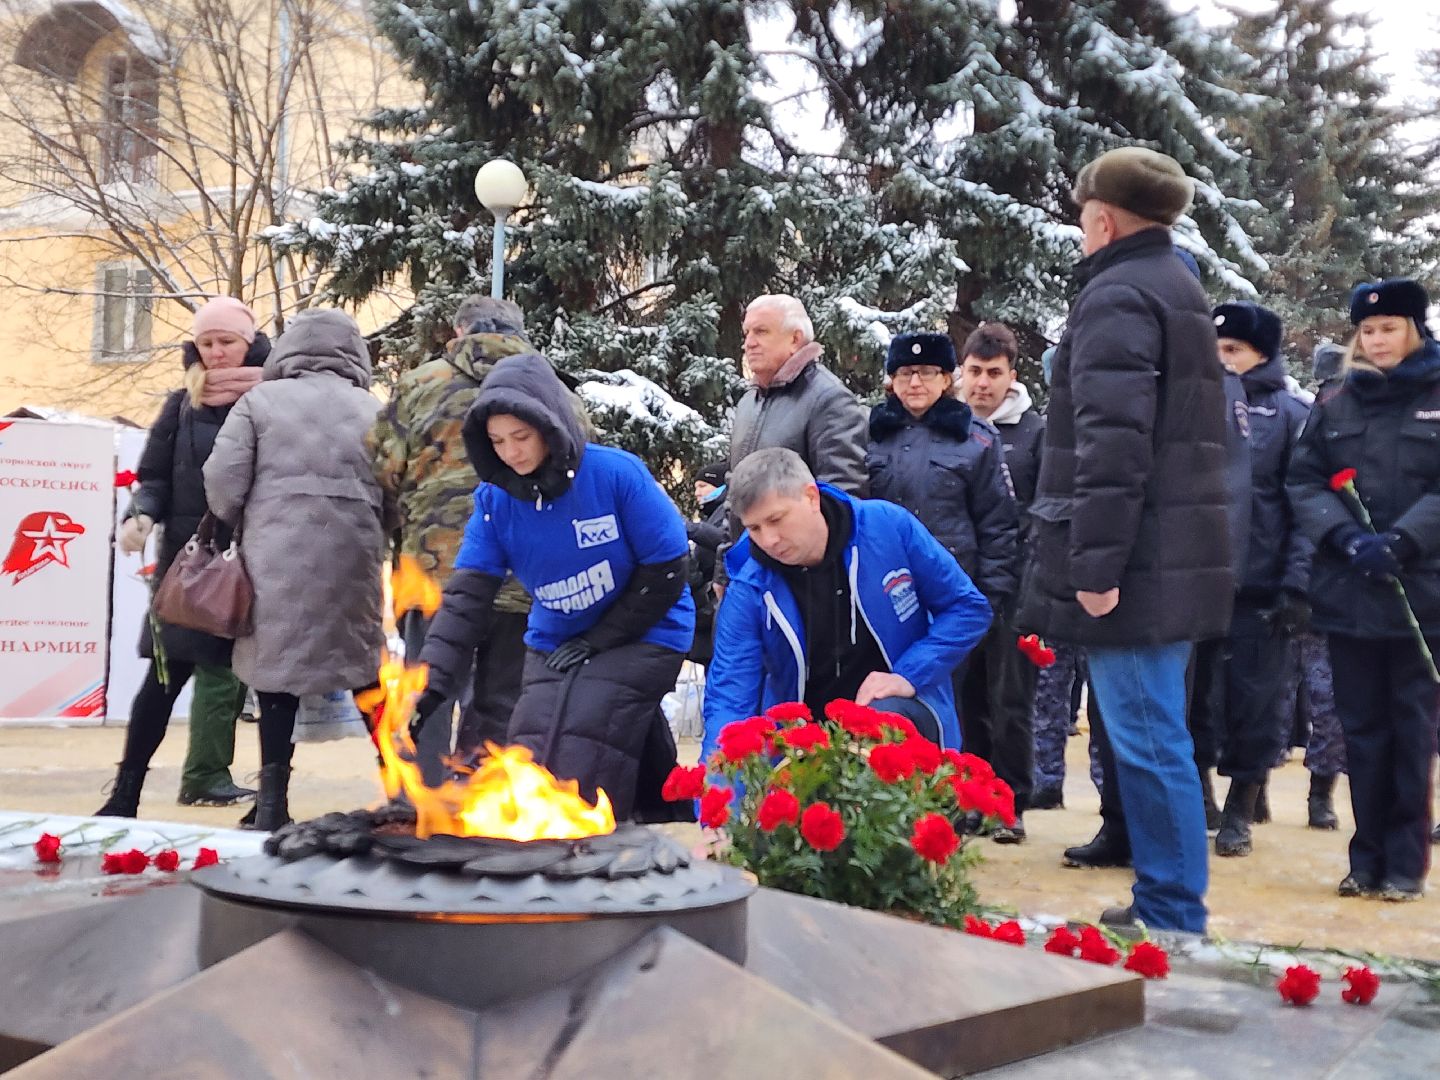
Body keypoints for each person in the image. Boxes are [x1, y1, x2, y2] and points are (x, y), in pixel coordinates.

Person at [1020, 147, 1232, 933]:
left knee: (1145, 742)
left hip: (1136, 565)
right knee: (1155, 736)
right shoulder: (1174, 286)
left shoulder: (1117, 296)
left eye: (1081, 216)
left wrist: (1097, 566)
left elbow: (1114, 445)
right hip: (1168, 556)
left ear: (1102, 217)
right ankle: (1164, 899)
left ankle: (1173, 912)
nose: (1080, 229)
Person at [415, 353, 695, 820]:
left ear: (550, 425)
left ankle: (587, 852)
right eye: (497, 441)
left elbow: (667, 571)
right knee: (533, 747)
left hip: (648, 629)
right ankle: (666, 812)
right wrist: (430, 685)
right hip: (556, 638)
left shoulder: (616, 475)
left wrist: (598, 640)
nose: (511, 452)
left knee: (581, 742)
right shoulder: (494, 503)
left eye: (521, 437)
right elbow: (466, 600)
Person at [368, 296, 587, 776]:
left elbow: (382, 472)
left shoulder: (419, 385)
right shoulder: (555, 392)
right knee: (501, 700)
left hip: (433, 573)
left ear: (459, 331)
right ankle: (478, 802)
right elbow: (578, 469)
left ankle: (416, 803)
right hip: (524, 575)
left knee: (427, 690)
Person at [205, 309, 390, 831]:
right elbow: (396, 488)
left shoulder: (259, 402)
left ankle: (271, 804)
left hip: (274, 560)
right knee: (364, 673)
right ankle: (400, 789)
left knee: (276, 680)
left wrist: (243, 517)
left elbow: (222, 481)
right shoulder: (371, 410)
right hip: (353, 561)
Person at [1288, 278, 1440, 901]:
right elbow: (1304, 482)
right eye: (1368, 331)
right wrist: (1345, 539)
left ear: (1415, 330)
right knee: (1363, 731)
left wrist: (1405, 540)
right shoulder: (1336, 404)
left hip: (1421, 598)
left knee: (1412, 732)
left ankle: (1405, 863)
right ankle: (1366, 857)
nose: (1377, 340)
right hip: (1349, 594)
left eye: (1389, 328)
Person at [702, 448, 993, 759]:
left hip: (898, 717)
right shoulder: (749, 585)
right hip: (803, 745)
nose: (769, 540)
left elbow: (967, 608)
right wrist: (718, 798)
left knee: (884, 718)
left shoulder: (888, 528)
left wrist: (909, 673)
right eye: (754, 528)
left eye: (776, 519)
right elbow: (730, 697)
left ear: (811, 497)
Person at [96, 298, 269, 818]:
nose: (215, 353)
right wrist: (140, 515)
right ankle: (125, 792)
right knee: (164, 681)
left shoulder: (275, 398)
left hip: (257, 563)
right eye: (206, 343)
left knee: (267, 685)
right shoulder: (180, 404)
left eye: (226, 342)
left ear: (249, 342)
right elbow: (153, 478)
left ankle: (268, 801)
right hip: (189, 567)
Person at [865, 330, 1020, 831]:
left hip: (954, 594)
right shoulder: (869, 435)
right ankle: (904, 803)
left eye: (927, 373)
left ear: (946, 379)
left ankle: (970, 801)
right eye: (905, 374)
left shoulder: (975, 438)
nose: (915, 383)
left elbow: (998, 523)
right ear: (890, 381)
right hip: (887, 594)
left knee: (965, 701)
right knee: (897, 700)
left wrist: (993, 595)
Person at [1204, 301, 1312, 857]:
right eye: (1216, 349)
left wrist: (1296, 586)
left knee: (1254, 702)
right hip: (1197, 583)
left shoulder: (1293, 416)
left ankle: (1241, 807)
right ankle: (1197, 794)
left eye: (1233, 351)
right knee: (1193, 700)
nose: (1221, 361)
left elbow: (1305, 510)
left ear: (1261, 354)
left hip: (1261, 587)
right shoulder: (1193, 406)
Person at [958, 322, 1044, 838]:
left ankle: (1010, 801)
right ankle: (971, 796)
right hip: (962, 586)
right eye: (974, 372)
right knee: (967, 700)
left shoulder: (1035, 433)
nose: (982, 384)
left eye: (993, 373)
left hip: (1018, 586)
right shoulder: (950, 430)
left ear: (1012, 376)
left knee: (1009, 700)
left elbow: (1045, 505)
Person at [729, 295, 868, 496]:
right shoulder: (748, 402)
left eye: (761, 332)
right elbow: (734, 491)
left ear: (795, 339)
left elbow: (841, 499)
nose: (749, 343)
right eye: (747, 333)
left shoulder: (830, 400)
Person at [686, 461, 729, 665]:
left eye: (703, 486)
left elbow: (725, 539)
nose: (697, 492)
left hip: (717, 605)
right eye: (695, 487)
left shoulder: (728, 512)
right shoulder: (713, 515)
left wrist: (689, 528)